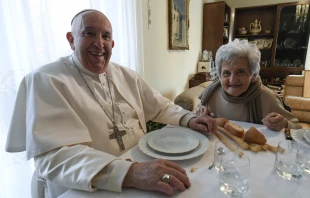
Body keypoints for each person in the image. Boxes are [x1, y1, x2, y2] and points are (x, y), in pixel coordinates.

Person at [5, 9, 216, 197]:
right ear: (71, 39)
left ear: (112, 44)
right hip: (86, 185)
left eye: (106, 36)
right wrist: (128, 173)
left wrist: (189, 119)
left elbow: (159, 105)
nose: (99, 43)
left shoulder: (126, 75)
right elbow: (53, 156)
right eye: (89, 33)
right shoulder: (45, 80)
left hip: (140, 168)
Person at [198, 39, 301, 131]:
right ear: (220, 76)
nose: (232, 80)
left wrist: (284, 123)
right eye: (226, 73)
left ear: (253, 75)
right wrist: (201, 117)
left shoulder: (267, 97)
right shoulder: (211, 94)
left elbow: (298, 127)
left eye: (241, 72)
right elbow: (196, 115)